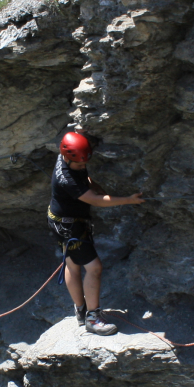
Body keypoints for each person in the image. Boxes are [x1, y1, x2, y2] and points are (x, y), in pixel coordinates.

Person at [49, 130, 145, 336]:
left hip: (61, 221)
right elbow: (94, 200)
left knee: (72, 264)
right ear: (67, 157)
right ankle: (92, 319)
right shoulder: (67, 179)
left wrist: (98, 187)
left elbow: (87, 181)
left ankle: (81, 311)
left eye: (85, 163)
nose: (83, 167)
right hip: (71, 227)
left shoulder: (66, 159)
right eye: (80, 164)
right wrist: (128, 199)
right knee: (94, 268)